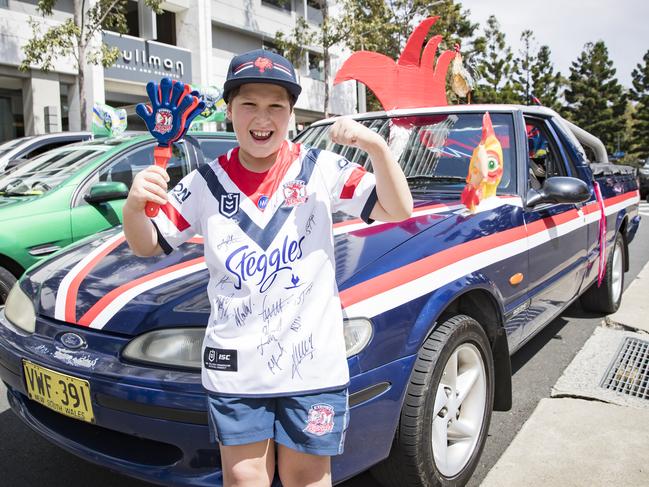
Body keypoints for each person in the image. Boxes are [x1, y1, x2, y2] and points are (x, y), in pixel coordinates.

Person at [123, 48, 413, 487]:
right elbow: (147, 243)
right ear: (229, 111)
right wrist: (134, 204)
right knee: (243, 479)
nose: (263, 118)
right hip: (235, 366)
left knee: (307, 478)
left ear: (292, 112)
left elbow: (397, 207)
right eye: (249, 105)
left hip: (312, 365)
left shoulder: (320, 168)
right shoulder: (205, 182)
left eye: (276, 105)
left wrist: (374, 145)